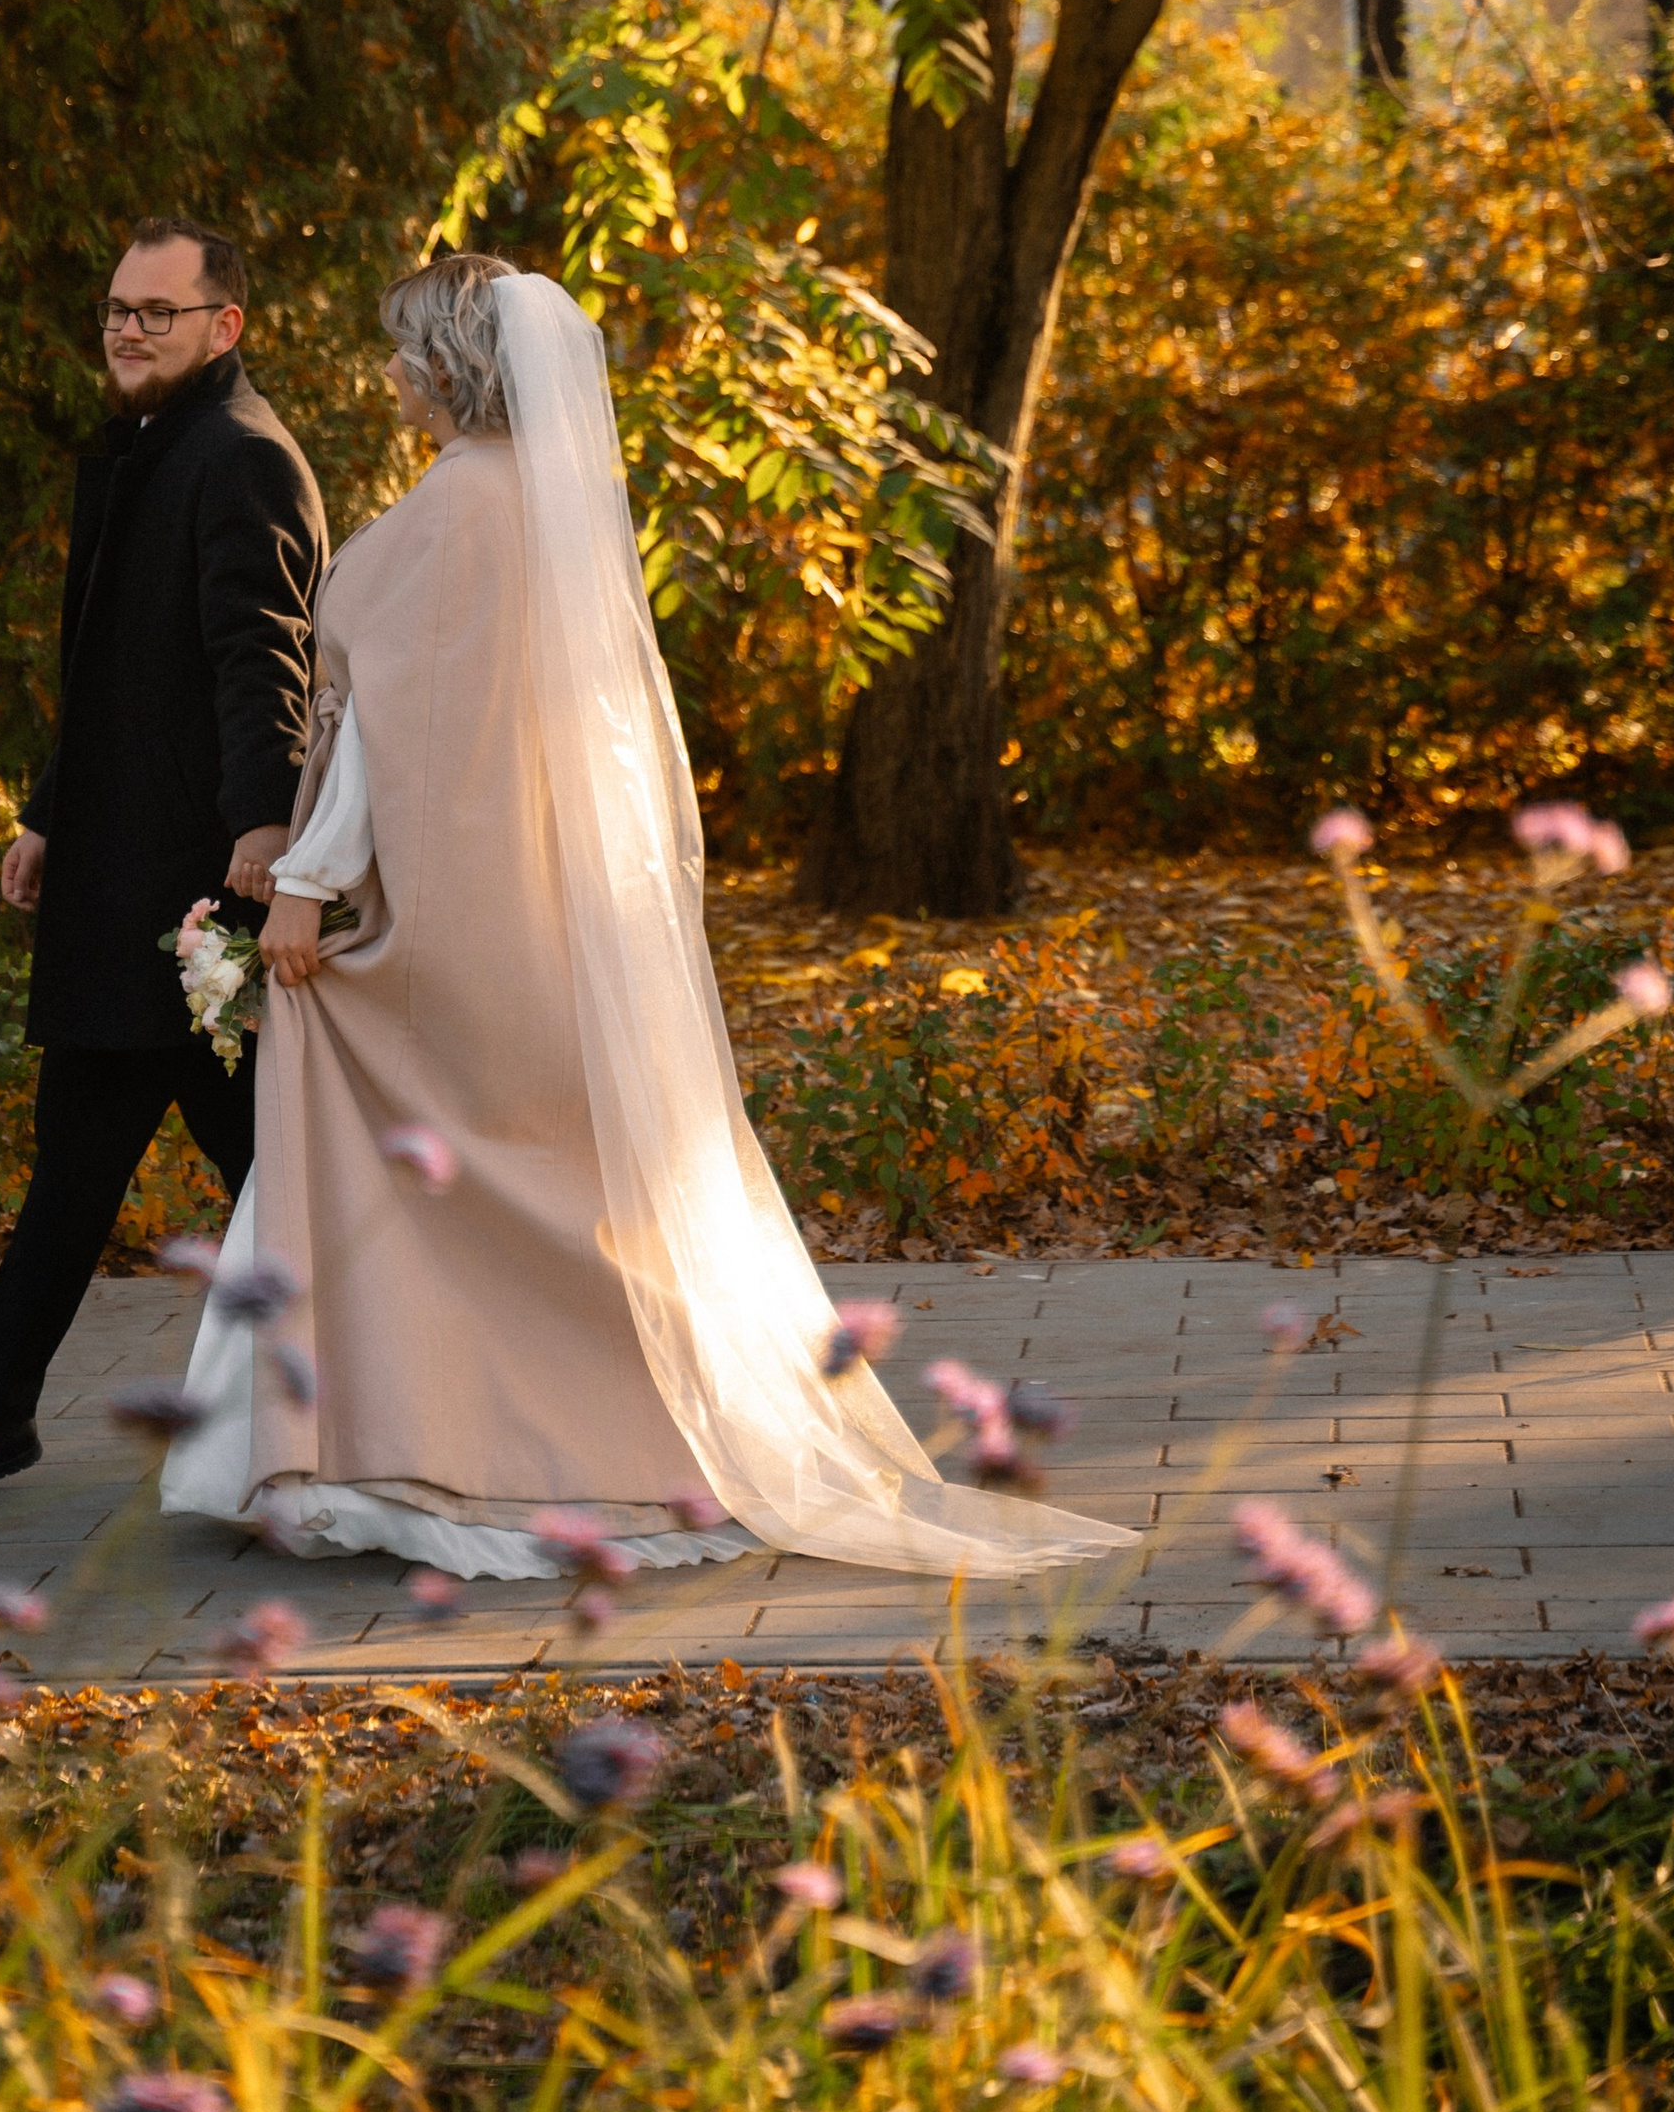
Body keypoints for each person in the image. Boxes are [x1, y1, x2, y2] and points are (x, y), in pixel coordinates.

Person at [161, 254, 1129, 1585]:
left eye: (401, 354)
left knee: (376, 1146)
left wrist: (310, 890)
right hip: (553, 922)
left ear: (445, 371)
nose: (388, 375)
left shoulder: (426, 533)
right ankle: (606, 1437)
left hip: (442, 933)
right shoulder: (558, 519)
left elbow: (389, 742)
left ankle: (396, 1457)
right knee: (561, 1194)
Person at [0, 215, 326, 1503]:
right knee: (120, 1170)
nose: (124, 327)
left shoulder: (240, 460)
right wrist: (52, 810)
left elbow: (260, 663)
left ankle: (383, 1405)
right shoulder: (138, 455)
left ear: (223, 325)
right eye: (115, 307)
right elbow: (109, 672)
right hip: (124, 884)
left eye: (154, 311)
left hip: (197, 905)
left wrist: (266, 834)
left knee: (260, 1180)